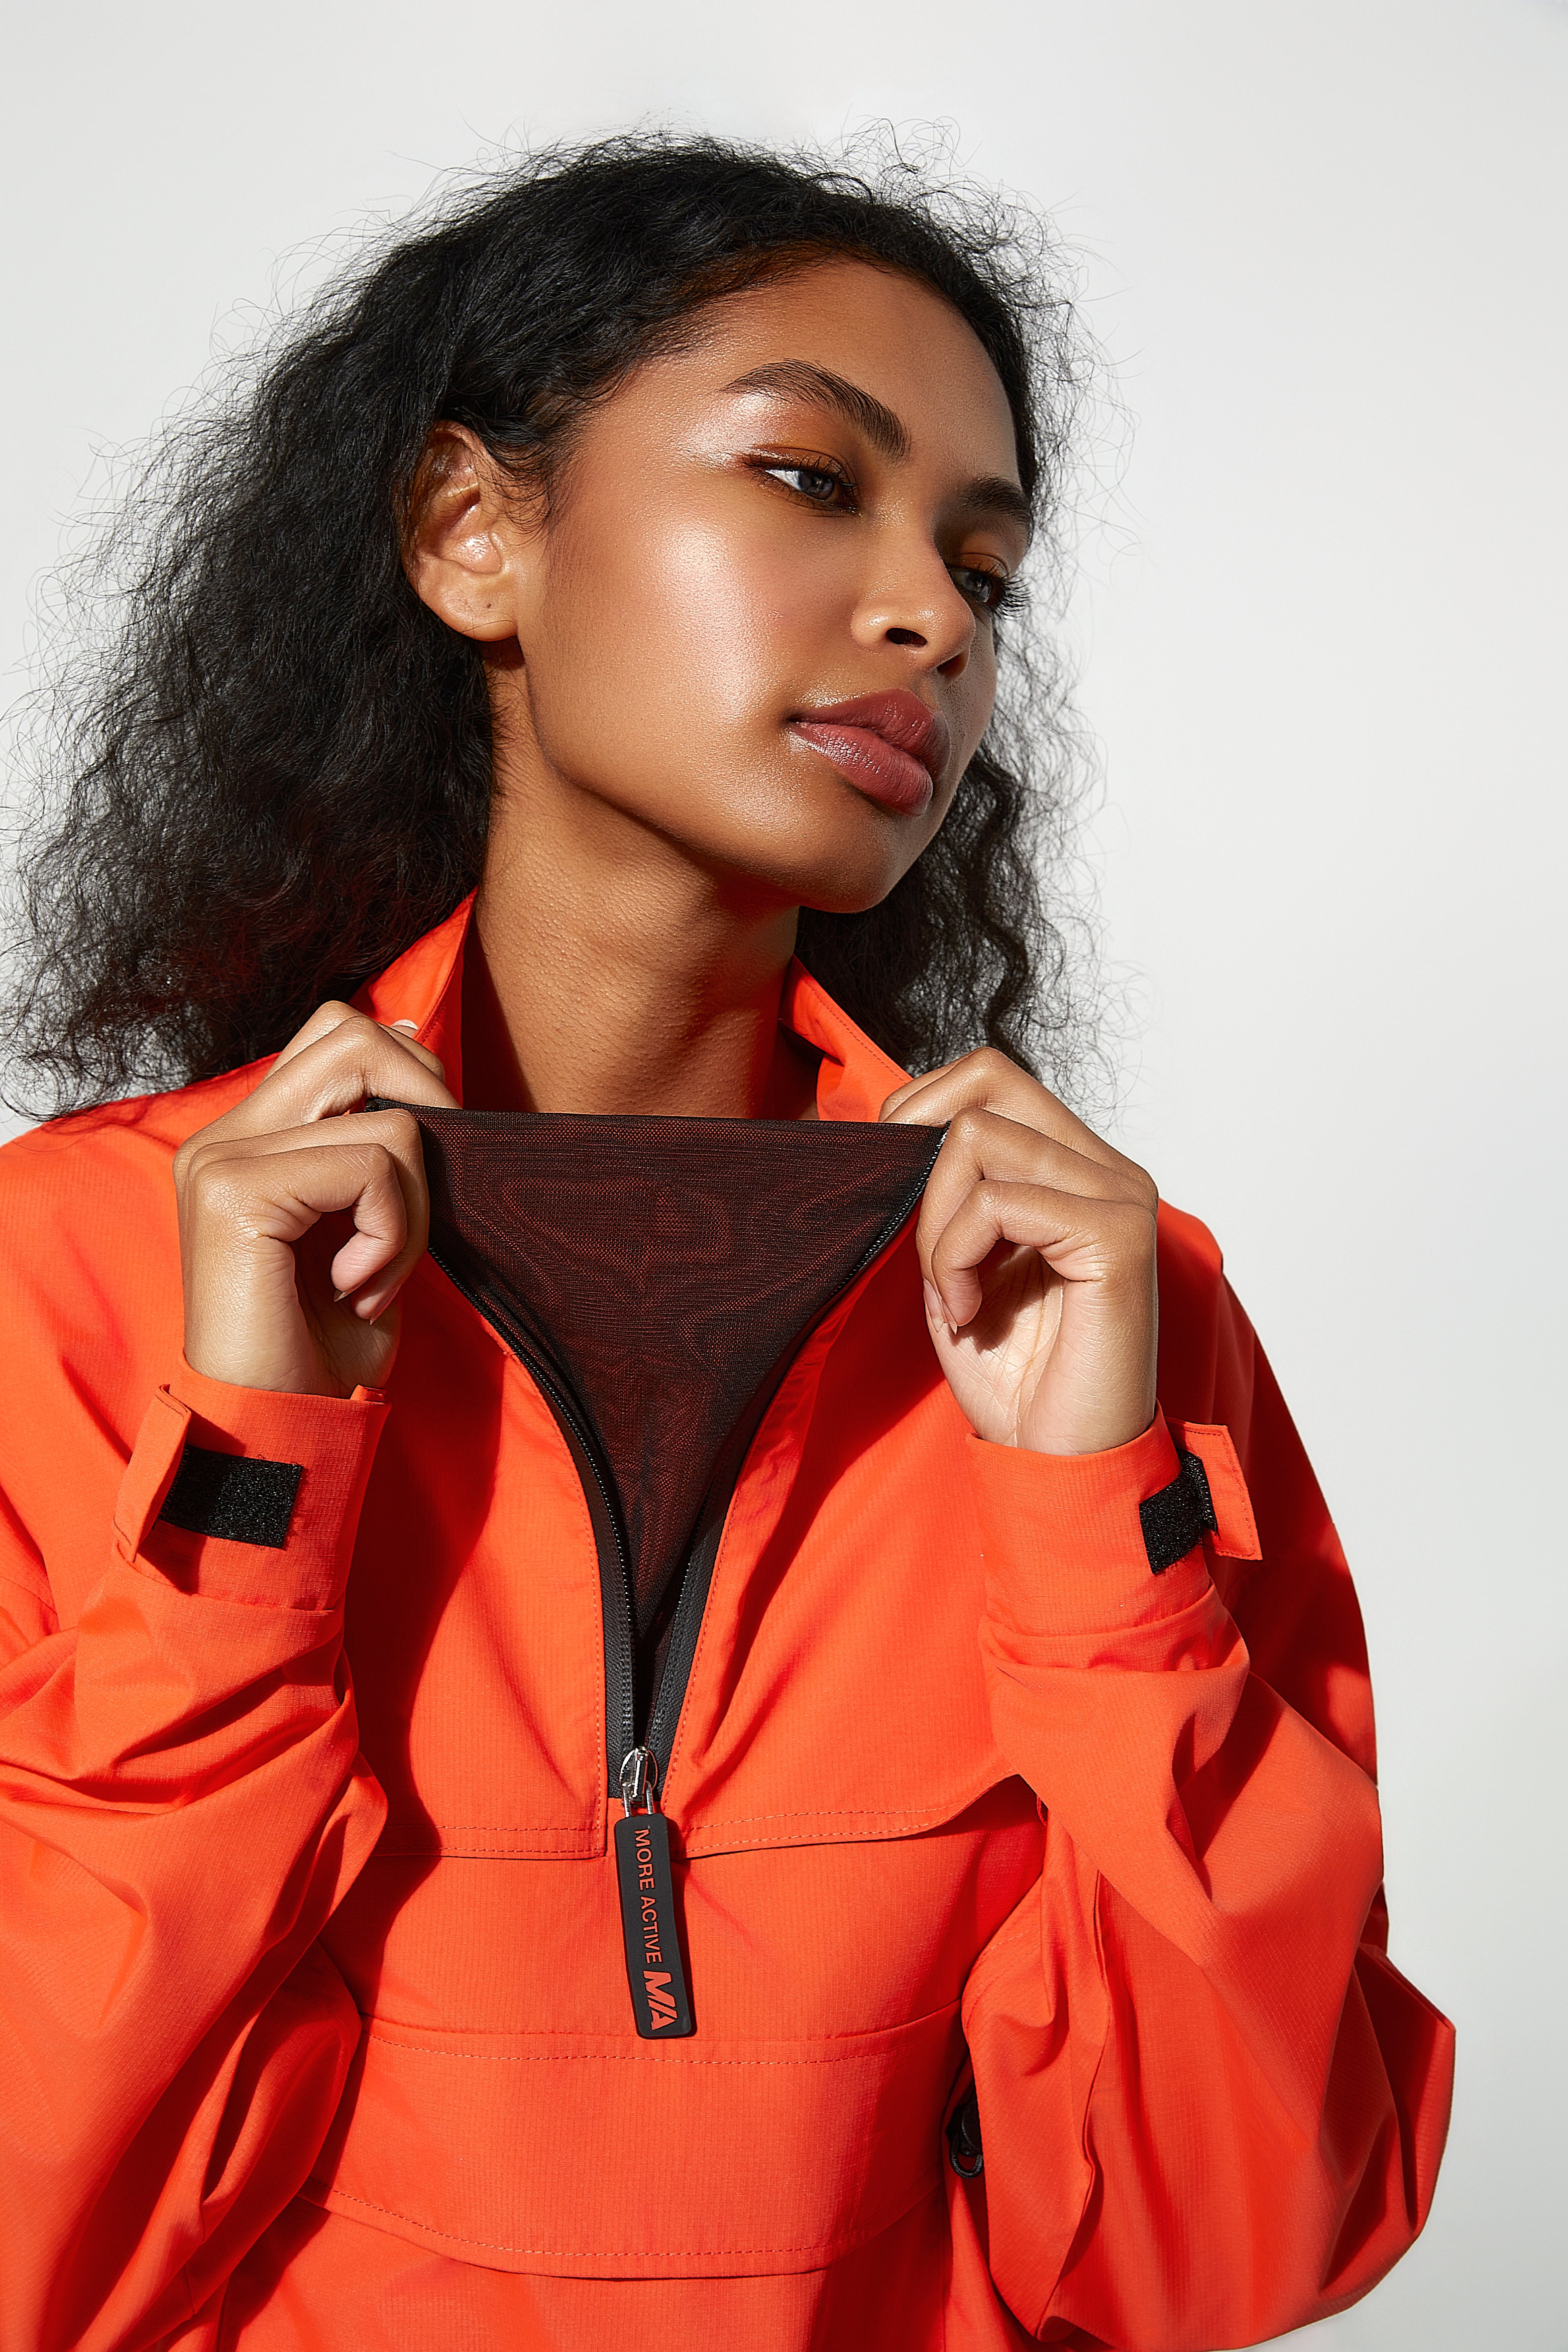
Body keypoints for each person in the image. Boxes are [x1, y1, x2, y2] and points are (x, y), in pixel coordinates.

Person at [0, 136, 1452, 2352]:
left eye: (985, 562)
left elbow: (1222, 2250)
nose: (933, 615)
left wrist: (1089, 1526)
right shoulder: (71, 1277)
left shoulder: (1102, 1309)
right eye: (806, 479)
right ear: (472, 532)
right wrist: (251, 1485)